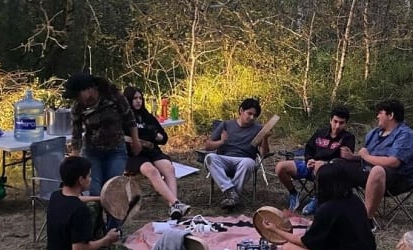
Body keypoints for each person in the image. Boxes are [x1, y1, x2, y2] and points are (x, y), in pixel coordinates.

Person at [261, 163, 376, 250]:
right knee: (305, 238)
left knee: (287, 248)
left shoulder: (328, 208)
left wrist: (275, 230)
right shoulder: (355, 200)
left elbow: (305, 243)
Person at [45, 156, 139, 250]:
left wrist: (101, 199)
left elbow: (78, 199)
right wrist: (106, 240)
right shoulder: (79, 211)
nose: (90, 179)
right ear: (80, 180)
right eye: (88, 176)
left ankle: (96, 244)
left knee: (93, 205)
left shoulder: (56, 196)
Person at [335, 100, 413, 227]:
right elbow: (368, 158)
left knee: (377, 170)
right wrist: (353, 157)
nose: (377, 116)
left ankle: (366, 221)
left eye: (380, 113)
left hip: (398, 178)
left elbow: (393, 162)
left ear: (390, 115)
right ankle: (336, 210)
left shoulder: (405, 134)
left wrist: (366, 156)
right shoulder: (374, 133)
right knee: (335, 165)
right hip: (368, 171)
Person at [64, 72, 142, 196]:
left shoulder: (113, 96)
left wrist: (135, 141)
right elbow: (76, 135)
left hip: (116, 150)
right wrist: (75, 159)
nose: (77, 99)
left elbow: (130, 119)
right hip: (92, 152)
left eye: (77, 95)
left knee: (112, 190)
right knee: (95, 190)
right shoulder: (78, 107)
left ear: (88, 89)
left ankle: (114, 215)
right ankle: (96, 215)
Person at [123, 86, 190, 220]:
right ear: (128, 100)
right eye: (135, 98)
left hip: (152, 151)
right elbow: (123, 138)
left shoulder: (147, 116)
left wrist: (156, 137)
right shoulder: (124, 118)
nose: (138, 101)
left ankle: (173, 207)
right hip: (133, 155)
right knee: (152, 171)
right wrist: (150, 135)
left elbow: (163, 138)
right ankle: (176, 203)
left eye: (140, 98)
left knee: (169, 168)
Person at [275, 106, 355, 215]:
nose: (337, 126)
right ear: (330, 120)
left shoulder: (348, 138)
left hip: (329, 171)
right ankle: (293, 193)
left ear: (346, 124)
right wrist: (309, 159)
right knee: (280, 167)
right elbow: (309, 148)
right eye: (335, 121)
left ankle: (318, 198)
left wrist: (325, 163)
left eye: (341, 123)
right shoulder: (320, 133)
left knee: (319, 166)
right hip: (310, 165)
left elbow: (343, 161)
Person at [204, 98, 270, 209]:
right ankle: (231, 192)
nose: (251, 118)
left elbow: (264, 153)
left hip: (244, 160)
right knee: (209, 158)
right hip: (224, 158)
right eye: (249, 113)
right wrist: (221, 142)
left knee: (249, 162)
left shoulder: (259, 129)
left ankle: (232, 196)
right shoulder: (226, 125)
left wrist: (265, 139)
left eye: (254, 116)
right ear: (241, 110)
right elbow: (207, 146)